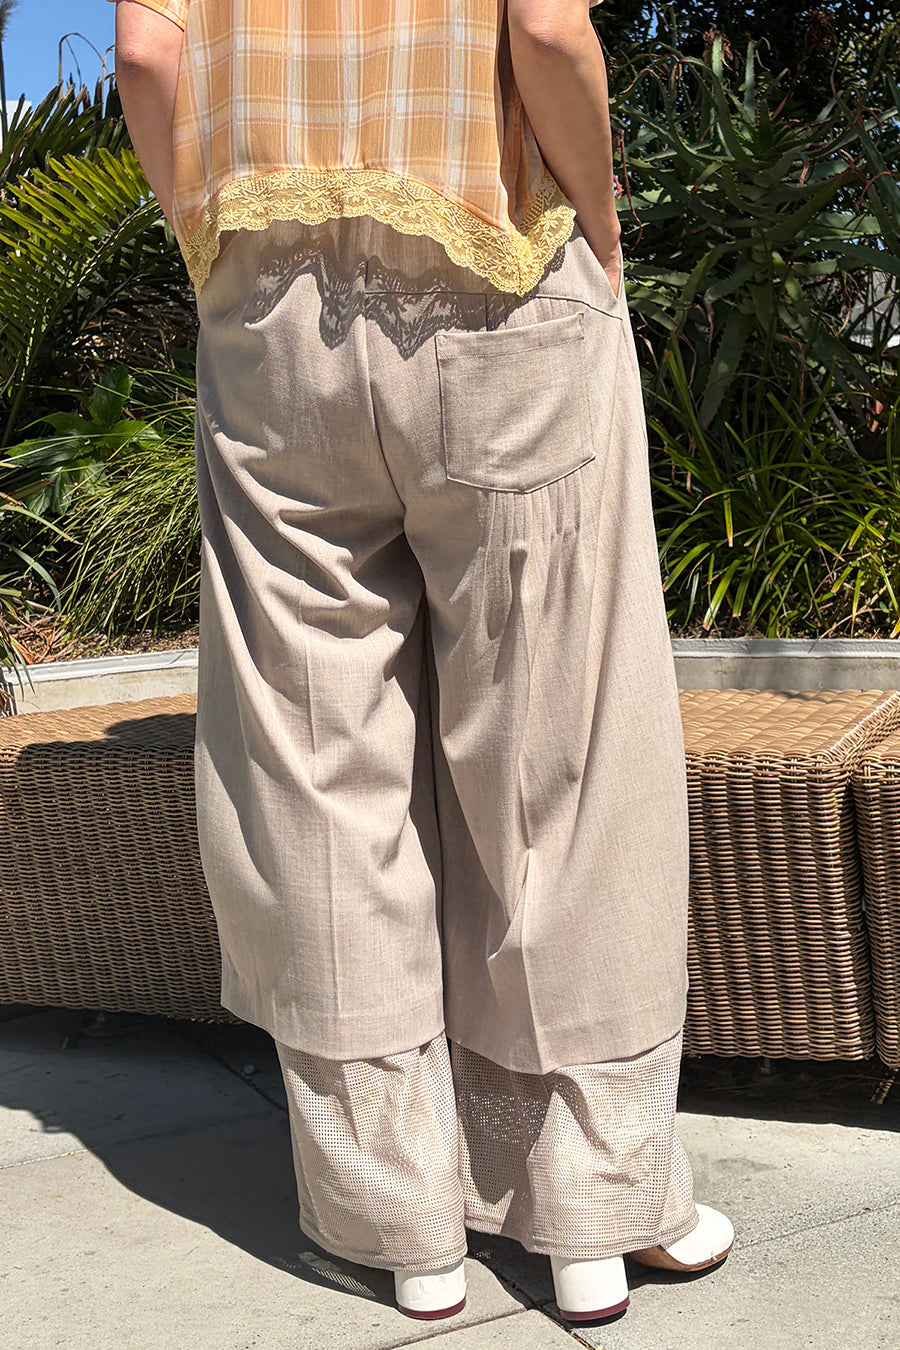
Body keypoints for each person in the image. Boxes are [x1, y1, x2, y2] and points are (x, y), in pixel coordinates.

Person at [111, 0, 734, 1324]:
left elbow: (148, 56)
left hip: (269, 317)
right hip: (502, 273)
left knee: (314, 756)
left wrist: (210, 246)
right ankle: (594, 1211)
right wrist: (603, 223)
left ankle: (398, 1220)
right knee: (560, 755)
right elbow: (547, 33)